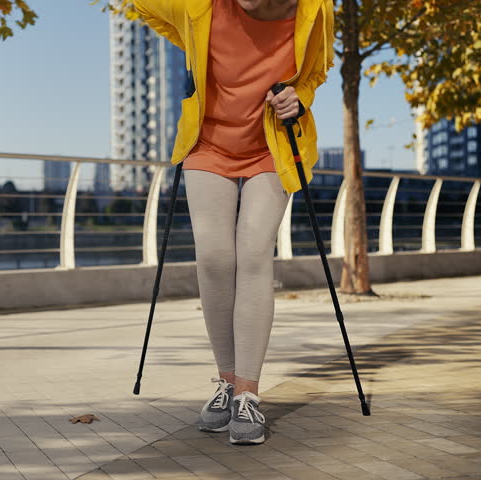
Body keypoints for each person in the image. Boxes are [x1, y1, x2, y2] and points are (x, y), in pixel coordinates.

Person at [132, 0, 335, 444]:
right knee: (215, 257)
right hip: (208, 144)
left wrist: (301, 95)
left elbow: (317, 69)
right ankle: (226, 384)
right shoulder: (202, 5)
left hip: (271, 146)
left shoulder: (314, 10)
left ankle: (248, 394)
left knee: (255, 254)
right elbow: (142, 6)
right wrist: (189, 40)